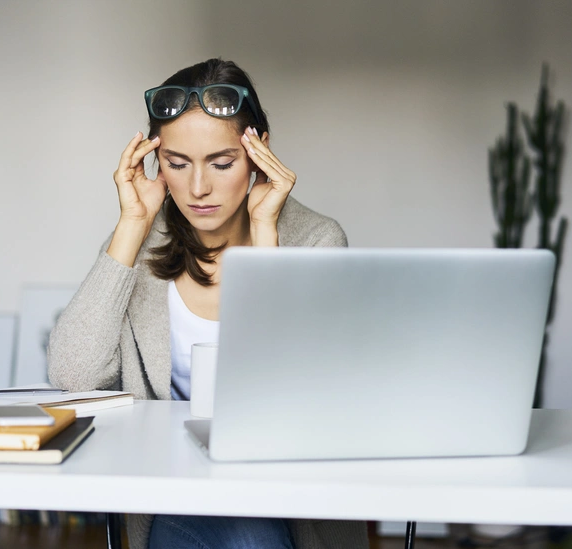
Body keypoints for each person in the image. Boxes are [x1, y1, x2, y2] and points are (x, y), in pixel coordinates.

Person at [48, 58, 368, 549]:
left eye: (221, 164)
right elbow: (73, 374)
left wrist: (265, 234)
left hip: (283, 495)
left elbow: (293, 395)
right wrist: (132, 224)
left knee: (248, 534)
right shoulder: (137, 245)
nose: (198, 188)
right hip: (174, 492)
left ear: (258, 154)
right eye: (177, 164)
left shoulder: (317, 240)